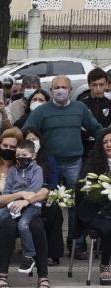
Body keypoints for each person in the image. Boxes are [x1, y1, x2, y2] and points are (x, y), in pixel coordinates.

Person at [25, 75, 104, 257]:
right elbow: (28, 131)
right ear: (51, 91)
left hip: (74, 163)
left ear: (70, 90)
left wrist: (107, 135)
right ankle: (49, 246)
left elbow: (96, 129)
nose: (60, 90)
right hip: (48, 164)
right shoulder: (42, 111)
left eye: (64, 87)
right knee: (48, 205)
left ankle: (76, 245)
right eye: (56, 87)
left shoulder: (80, 108)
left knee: (77, 205)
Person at [0, 128, 50, 288]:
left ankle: (41, 273)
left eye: (13, 147)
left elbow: (43, 190)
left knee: (36, 227)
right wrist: (20, 195)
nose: (9, 150)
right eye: (6, 146)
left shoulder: (34, 168)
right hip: (3, 207)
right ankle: (1, 273)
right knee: (8, 227)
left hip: (28, 207)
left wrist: (27, 200)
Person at [22, 126, 63, 266]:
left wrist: (41, 192)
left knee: (55, 211)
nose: (33, 142)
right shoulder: (19, 159)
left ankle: (52, 254)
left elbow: (53, 182)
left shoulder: (48, 159)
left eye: (35, 139)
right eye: (29, 140)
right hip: (24, 199)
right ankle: (31, 251)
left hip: (43, 196)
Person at [77, 129, 111, 285]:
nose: (108, 145)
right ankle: (105, 265)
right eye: (105, 142)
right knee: (109, 227)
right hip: (95, 210)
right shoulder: (93, 162)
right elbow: (85, 188)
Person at [81, 68, 111, 160]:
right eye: (94, 85)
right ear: (89, 85)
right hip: (86, 149)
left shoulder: (109, 104)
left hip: (105, 149)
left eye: (101, 85)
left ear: (106, 85)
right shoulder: (82, 104)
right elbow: (79, 125)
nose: (98, 89)